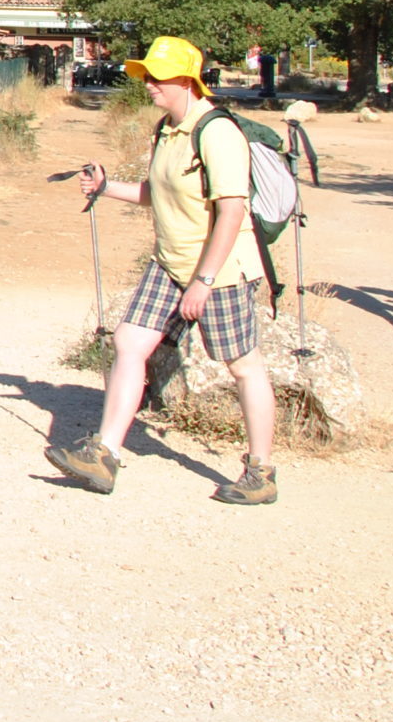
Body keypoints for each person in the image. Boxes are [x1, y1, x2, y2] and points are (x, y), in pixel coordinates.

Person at [48, 35, 279, 506]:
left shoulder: (217, 132)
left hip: (220, 270)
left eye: (157, 76)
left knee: (242, 365)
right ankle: (104, 453)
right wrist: (107, 188)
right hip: (170, 263)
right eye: (147, 75)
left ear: (186, 80)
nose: (148, 84)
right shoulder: (167, 129)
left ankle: (262, 471)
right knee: (129, 342)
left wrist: (204, 281)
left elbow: (232, 213)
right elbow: (156, 195)